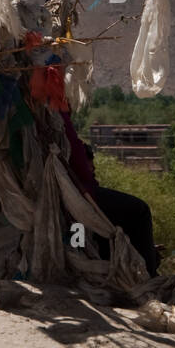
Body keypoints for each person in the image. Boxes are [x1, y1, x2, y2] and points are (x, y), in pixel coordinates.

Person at [60, 110, 158, 277]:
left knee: (108, 224)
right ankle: (149, 274)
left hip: (79, 191)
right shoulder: (58, 113)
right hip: (80, 193)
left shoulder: (56, 115)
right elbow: (77, 159)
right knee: (139, 210)